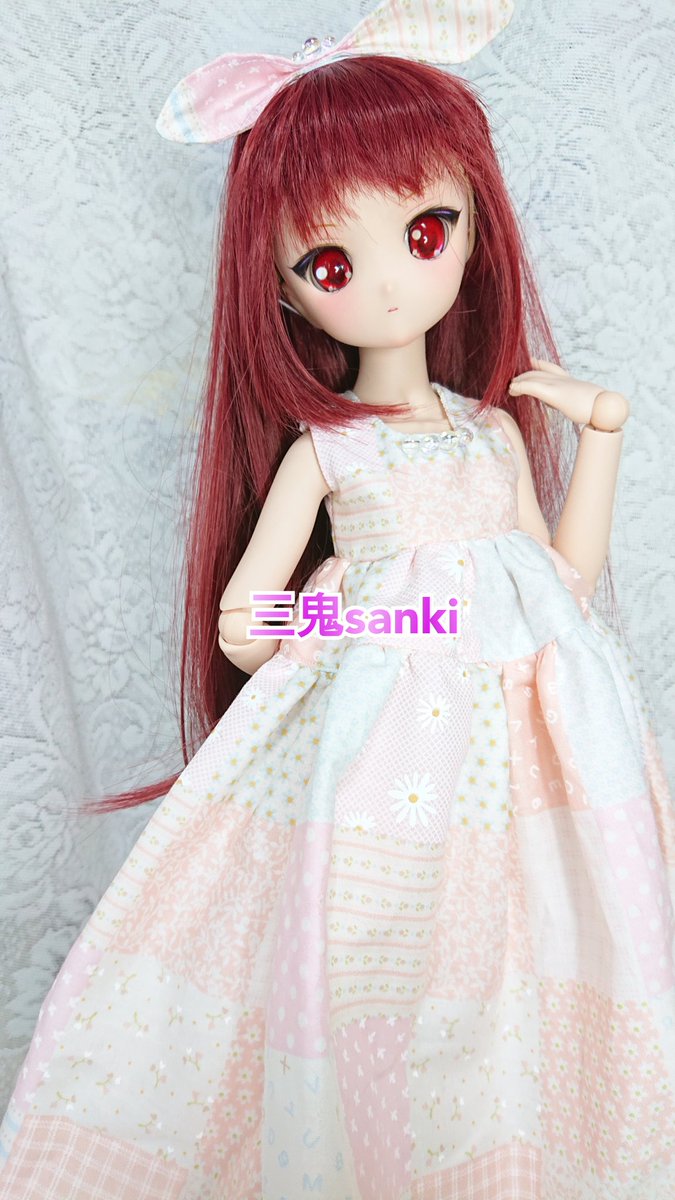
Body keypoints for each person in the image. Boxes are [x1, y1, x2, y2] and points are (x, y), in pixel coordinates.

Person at [2, 2, 674, 1196]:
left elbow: (562, 585)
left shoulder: (491, 436)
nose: (390, 284)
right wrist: (363, 622)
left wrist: (605, 438)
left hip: (533, 751)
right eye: (330, 264)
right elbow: (242, 622)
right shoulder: (331, 450)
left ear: (474, 229)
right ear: (282, 293)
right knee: (386, 951)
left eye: (427, 230)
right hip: (380, 754)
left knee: (522, 947)